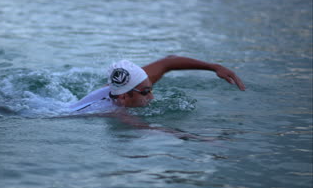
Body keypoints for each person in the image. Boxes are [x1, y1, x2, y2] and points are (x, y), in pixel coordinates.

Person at [69, 55, 245, 114]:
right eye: (146, 92)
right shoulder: (114, 112)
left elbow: (168, 62)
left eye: (151, 89)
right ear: (123, 97)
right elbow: (153, 130)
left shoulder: (123, 85)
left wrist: (213, 67)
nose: (152, 96)